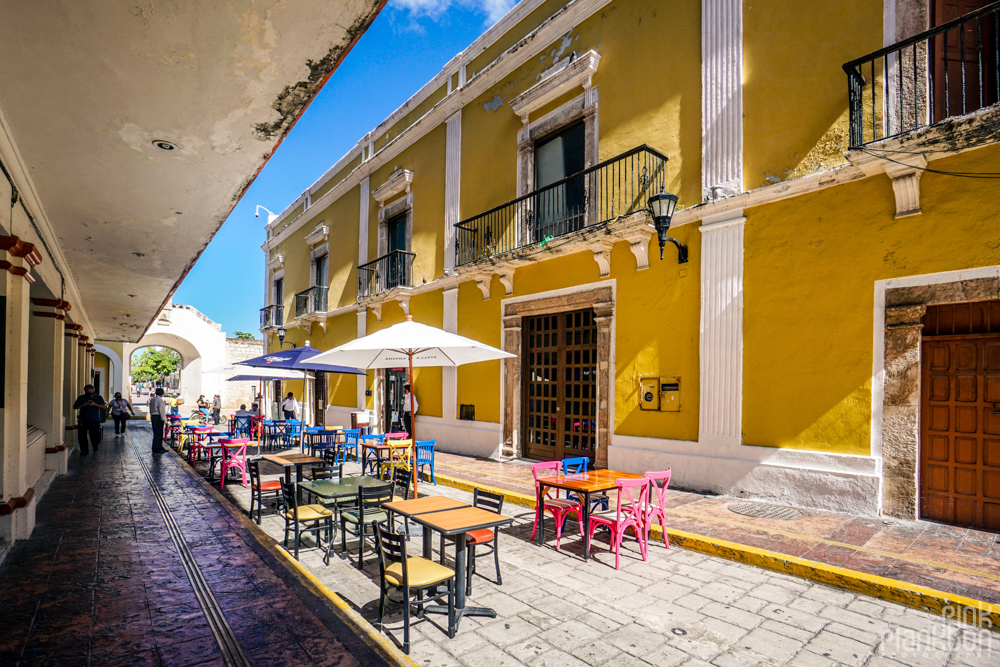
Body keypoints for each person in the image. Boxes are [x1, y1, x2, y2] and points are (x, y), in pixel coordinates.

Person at [72, 384, 107, 456]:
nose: (89, 395)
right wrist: (83, 405)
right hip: (83, 419)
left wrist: (95, 405)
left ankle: (95, 445)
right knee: (82, 435)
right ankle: (84, 450)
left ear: (93, 391)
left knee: (95, 435)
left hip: (94, 419)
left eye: (91, 393)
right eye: (88, 392)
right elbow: (75, 406)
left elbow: (103, 407)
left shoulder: (98, 397)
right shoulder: (81, 398)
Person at [150, 388, 168, 453]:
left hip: (153, 417)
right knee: (159, 433)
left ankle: (159, 446)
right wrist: (165, 420)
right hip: (158, 417)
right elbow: (162, 411)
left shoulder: (152, 399)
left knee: (156, 433)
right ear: (162, 394)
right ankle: (157, 447)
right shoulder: (160, 401)